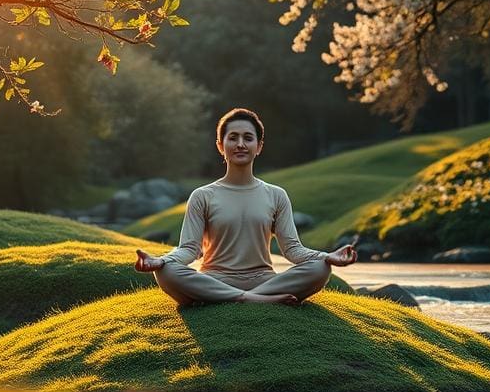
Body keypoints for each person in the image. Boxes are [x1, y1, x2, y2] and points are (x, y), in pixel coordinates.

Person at [134, 107, 358, 306]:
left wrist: (327, 256)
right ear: (221, 145)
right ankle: (249, 299)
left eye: (248, 138)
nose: (240, 144)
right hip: (214, 278)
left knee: (320, 268)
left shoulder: (276, 195)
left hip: (263, 279)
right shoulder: (202, 196)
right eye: (233, 138)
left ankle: (236, 297)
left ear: (258, 146)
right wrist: (161, 261)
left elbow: (292, 249)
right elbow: (189, 250)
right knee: (166, 272)